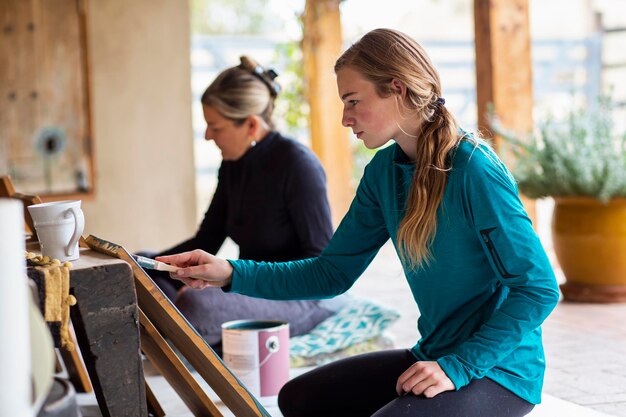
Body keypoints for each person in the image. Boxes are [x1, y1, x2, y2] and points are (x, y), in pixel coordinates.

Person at [157, 29, 560, 417]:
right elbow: (331, 273)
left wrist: (458, 366)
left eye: (352, 101)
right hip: (435, 353)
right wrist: (229, 273)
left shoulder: (474, 169)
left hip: (498, 370)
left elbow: (538, 288)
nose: (345, 118)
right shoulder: (383, 173)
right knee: (298, 399)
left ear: (397, 89)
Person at [143, 56, 341, 352]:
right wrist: (140, 264)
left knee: (195, 303)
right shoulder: (233, 165)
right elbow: (206, 240)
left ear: (250, 124)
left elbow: (320, 262)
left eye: (215, 127)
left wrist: (227, 280)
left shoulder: (298, 165)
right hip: (245, 283)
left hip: (298, 296)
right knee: (139, 271)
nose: (208, 136)